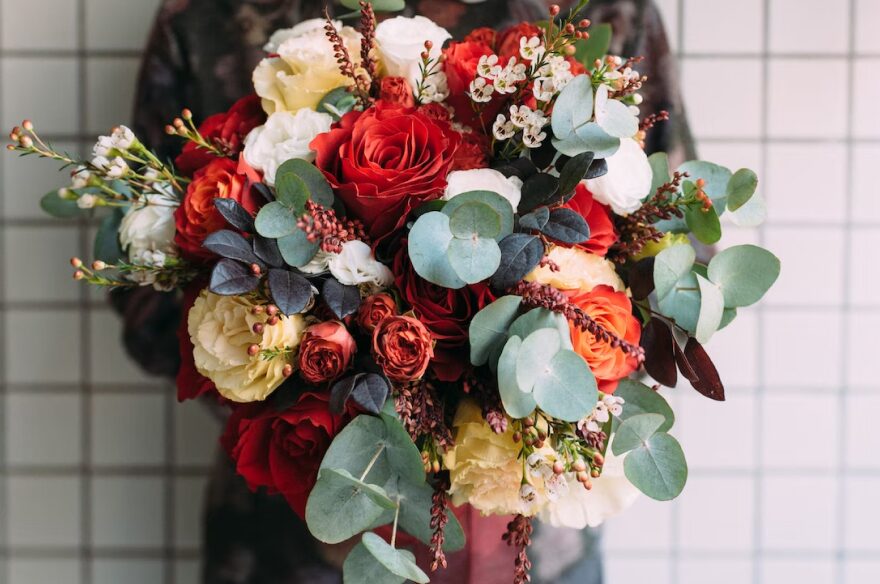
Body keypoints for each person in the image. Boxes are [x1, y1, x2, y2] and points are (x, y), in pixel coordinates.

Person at [115, 1, 695, 582]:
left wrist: (528, 402)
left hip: (532, 539)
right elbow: (142, 287)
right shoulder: (208, 13)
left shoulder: (605, 10)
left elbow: (678, 260)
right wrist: (312, 394)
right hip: (290, 539)